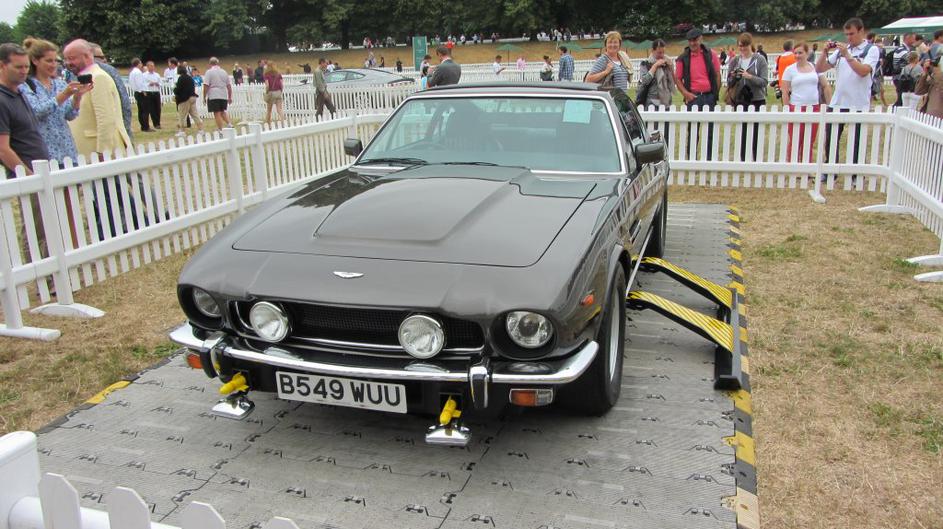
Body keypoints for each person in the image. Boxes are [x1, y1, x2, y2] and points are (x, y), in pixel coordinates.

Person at [816, 17, 881, 184]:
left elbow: (864, 71)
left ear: (861, 31)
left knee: (856, 141)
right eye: (846, 34)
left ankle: (856, 174)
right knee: (831, 139)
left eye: (852, 34)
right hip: (838, 101)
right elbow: (820, 68)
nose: (849, 37)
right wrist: (824, 52)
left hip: (858, 102)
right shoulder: (842, 50)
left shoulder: (871, 50)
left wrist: (848, 56)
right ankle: (830, 171)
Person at [21, 38, 89, 164]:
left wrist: (77, 97)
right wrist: (64, 95)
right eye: (49, 61)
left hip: (68, 151)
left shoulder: (60, 84)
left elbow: (69, 115)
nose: (53, 65)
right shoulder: (25, 85)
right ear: (35, 61)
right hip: (44, 154)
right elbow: (36, 112)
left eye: (55, 61)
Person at [63, 39, 130, 158]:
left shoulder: (98, 77)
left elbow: (105, 119)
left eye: (72, 58)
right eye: (66, 59)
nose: (68, 63)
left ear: (87, 56)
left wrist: (103, 151)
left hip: (98, 153)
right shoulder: (84, 78)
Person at [0, 43, 48, 177]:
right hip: (25, 178)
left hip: (40, 171)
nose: (24, 71)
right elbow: (2, 149)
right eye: (18, 67)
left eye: (26, 67)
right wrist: (31, 177)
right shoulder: (2, 99)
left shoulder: (20, 92)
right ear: (2, 66)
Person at [675, 28, 721, 161]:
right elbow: (677, 78)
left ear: (700, 39)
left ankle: (709, 159)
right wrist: (685, 93)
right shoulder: (683, 58)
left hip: (708, 96)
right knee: (693, 131)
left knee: (710, 130)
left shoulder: (711, 54)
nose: (692, 43)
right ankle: (691, 159)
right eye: (690, 41)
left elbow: (717, 74)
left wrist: (715, 93)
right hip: (693, 97)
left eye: (694, 40)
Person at [782, 42, 829, 162]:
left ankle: (807, 165)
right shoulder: (790, 70)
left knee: (809, 140)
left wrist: (828, 104)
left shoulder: (815, 67)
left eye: (800, 53)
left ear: (807, 53)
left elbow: (825, 85)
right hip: (796, 107)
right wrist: (787, 109)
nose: (797, 55)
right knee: (795, 139)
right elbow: (785, 91)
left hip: (814, 107)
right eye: (795, 53)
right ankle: (792, 165)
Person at [725, 32, 768, 161]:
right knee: (742, 132)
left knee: (756, 132)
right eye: (740, 46)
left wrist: (749, 76)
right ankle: (743, 158)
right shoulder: (735, 61)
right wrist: (734, 77)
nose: (743, 48)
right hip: (740, 100)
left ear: (750, 45)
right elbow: (728, 82)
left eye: (745, 46)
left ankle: (756, 159)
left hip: (756, 99)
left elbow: (764, 82)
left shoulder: (759, 60)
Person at [89, 43, 132, 141]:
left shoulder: (109, 70)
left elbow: (123, 100)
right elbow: (124, 101)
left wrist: (125, 128)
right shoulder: (108, 70)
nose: (104, 60)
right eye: (101, 57)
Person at [637, 39, 676, 108]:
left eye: (663, 52)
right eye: (659, 53)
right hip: (652, 102)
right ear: (652, 50)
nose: (662, 55)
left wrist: (671, 68)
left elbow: (673, 82)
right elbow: (644, 81)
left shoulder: (667, 63)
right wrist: (655, 66)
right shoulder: (645, 64)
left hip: (667, 102)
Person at [203, 56, 232, 129]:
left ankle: (220, 128)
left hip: (214, 95)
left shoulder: (209, 72)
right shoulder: (224, 72)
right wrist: (229, 97)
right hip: (223, 94)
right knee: (222, 111)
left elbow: (206, 85)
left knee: (217, 113)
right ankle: (229, 124)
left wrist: (204, 96)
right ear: (217, 63)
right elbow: (229, 86)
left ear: (210, 63)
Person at [173, 65, 202, 134]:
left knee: (182, 116)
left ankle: (182, 131)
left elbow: (178, 90)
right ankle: (201, 130)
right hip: (192, 97)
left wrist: (174, 89)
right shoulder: (190, 77)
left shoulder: (181, 78)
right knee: (195, 114)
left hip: (185, 99)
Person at [128, 58, 152, 131]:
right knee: (145, 110)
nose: (141, 64)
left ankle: (143, 126)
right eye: (140, 63)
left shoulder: (132, 72)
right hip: (141, 92)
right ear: (138, 64)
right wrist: (144, 92)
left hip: (136, 92)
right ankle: (146, 127)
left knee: (141, 110)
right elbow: (140, 84)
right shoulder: (138, 72)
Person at [142, 61, 162, 129]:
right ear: (147, 67)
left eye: (153, 66)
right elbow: (143, 84)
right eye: (151, 66)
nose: (152, 67)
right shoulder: (144, 75)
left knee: (158, 108)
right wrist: (149, 84)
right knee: (152, 109)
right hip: (149, 92)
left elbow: (161, 83)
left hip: (156, 92)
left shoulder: (157, 75)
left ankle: (158, 122)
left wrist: (157, 84)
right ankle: (155, 123)